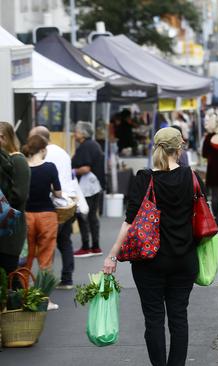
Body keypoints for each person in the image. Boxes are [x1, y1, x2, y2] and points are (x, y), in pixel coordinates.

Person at [103, 127, 206, 366]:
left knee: (154, 320)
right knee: (179, 318)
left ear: (156, 148)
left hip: (150, 261)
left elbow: (130, 221)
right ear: (179, 148)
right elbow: (200, 213)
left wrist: (112, 255)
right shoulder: (191, 176)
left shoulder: (145, 178)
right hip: (184, 259)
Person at [29, 126, 78, 289]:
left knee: (36, 250)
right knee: (64, 242)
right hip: (66, 202)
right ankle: (66, 279)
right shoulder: (62, 152)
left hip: (48, 206)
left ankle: (31, 288)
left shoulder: (44, 156)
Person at [23, 134, 63, 310]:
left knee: (26, 259)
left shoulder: (23, 167)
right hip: (47, 215)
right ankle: (44, 300)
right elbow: (58, 193)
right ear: (42, 149)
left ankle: (23, 297)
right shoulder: (50, 167)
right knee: (46, 259)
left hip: (26, 216)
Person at [0, 122, 30, 277]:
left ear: (3, 138)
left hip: (11, 229)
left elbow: (19, 197)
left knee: (11, 277)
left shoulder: (17, 160)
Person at [72, 121, 105, 258]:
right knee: (92, 216)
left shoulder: (85, 146)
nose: (74, 133)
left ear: (83, 133)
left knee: (83, 214)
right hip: (95, 185)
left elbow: (85, 168)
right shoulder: (94, 145)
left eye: (76, 131)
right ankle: (95, 246)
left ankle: (86, 246)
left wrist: (72, 171)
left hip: (87, 186)